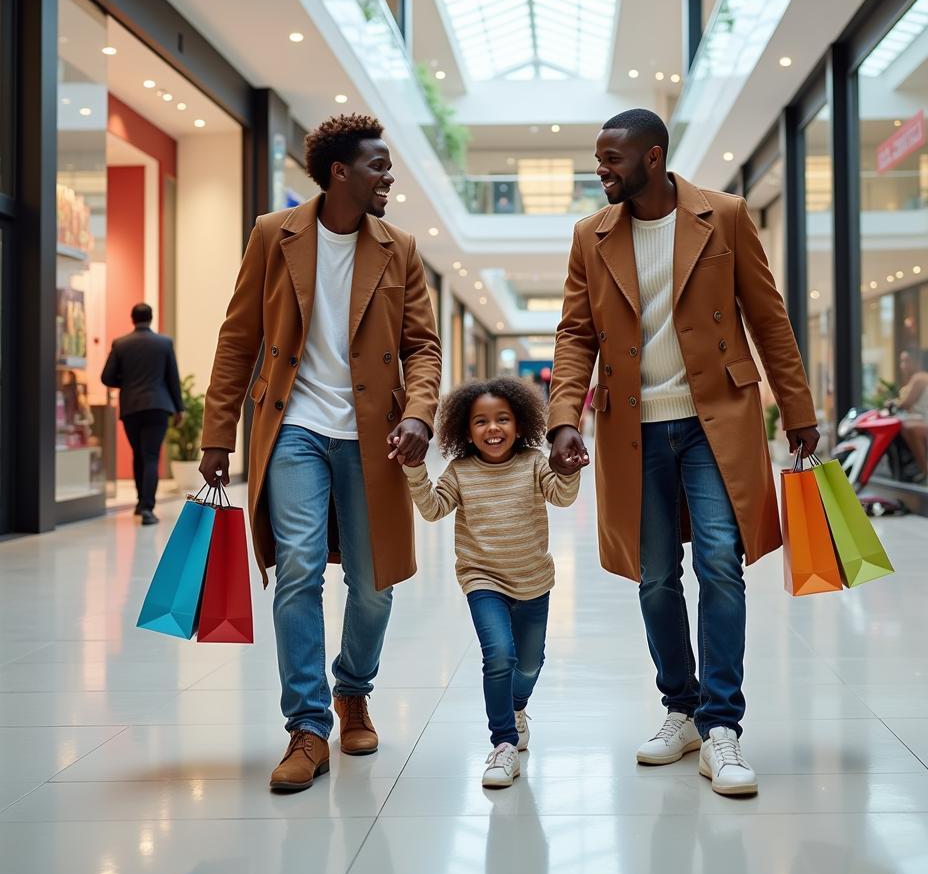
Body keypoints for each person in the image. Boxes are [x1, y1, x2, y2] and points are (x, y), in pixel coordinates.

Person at [546, 109, 818, 798]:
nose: (600, 169)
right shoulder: (591, 235)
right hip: (633, 427)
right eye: (599, 157)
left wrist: (799, 411)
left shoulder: (721, 215)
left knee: (721, 560)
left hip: (715, 417)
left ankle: (723, 724)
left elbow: (769, 317)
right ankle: (682, 708)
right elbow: (576, 334)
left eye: (612, 158)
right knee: (656, 577)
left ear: (653, 157)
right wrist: (562, 418)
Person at [198, 113, 441, 793]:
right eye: (378, 166)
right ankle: (307, 728)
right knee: (299, 566)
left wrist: (419, 412)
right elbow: (237, 337)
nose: (388, 177)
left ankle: (352, 689)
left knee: (374, 581)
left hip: (374, 434)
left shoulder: (400, 247)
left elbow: (423, 346)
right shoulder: (275, 236)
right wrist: (218, 433)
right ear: (341, 173)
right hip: (294, 424)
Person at [401, 378, 579, 788]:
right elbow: (432, 509)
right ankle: (503, 743)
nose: (492, 428)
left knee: (530, 663)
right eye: (480, 421)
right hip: (482, 579)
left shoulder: (534, 462)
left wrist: (567, 469)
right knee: (499, 655)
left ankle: (517, 707)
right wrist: (415, 469)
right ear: (465, 430)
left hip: (534, 579)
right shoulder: (460, 471)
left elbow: (562, 497)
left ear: (520, 424)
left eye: (502, 419)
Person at [101, 303, 184, 525]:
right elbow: (172, 379)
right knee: (151, 455)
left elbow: (106, 377)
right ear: (151, 317)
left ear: (132, 318)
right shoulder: (164, 343)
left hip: (131, 408)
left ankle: (141, 502)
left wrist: (126, 383)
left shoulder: (120, 344)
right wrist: (179, 408)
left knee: (138, 453)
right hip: (158, 406)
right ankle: (148, 507)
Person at [892, 347, 928, 477]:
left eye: (906, 361)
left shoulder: (920, 377)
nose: (903, 366)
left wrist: (891, 403)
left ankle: (924, 470)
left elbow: (906, 403)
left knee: (906, 427)